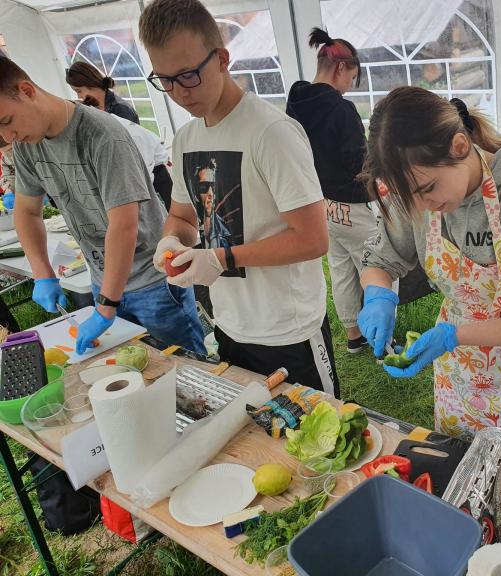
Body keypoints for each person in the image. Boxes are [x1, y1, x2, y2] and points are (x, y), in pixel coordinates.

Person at [139, 0, 340, 396]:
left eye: (188, 75)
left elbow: (313, 239)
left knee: (316, 440)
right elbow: (182, 215)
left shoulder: (271, 133)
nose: (178, 92)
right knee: (254, 432)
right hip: (229, 323)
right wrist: (171, 242)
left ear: (221, 59)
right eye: (164, 79)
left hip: (288, 328)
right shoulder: (186, 139)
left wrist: (219, 258)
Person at [358, 87, 501, 439]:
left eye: (428, 189)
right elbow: (380, 259)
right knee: (461, 473)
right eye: (408, 196)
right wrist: (377, 294)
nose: (423, 205)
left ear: (459, 147)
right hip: (460, 372)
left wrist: (451, 337)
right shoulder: (415, 186)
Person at [0, 56, 205, 355]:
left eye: (7, 122)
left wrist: (107, 306)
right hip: (102, 280)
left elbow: (124, 226)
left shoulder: (102, 135)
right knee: (126, 368)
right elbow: (27, 212)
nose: (8, 136)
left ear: (27, 91)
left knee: (185, 370)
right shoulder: (27, 144)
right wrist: (42, 272)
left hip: (154, 281)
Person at [286, 28, 380, 355]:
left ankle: (354, 336)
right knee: (378, 267)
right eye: (352, 78)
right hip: (352, 205)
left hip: (320, 204)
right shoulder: (342, 110)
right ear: (341, 69)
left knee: (341, 270)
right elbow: (359, 163)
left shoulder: (295, 100)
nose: (350, 87)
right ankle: (382, 336)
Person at [81, 95, 173, 209]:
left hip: (156, 176)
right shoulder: (107, 127)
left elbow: (145, 174)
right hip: (140, 175)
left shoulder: (130, 133)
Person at [65, 61, 140, 125]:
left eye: (79, 91)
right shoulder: (90, 107)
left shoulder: (121, 109)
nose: (79, 96)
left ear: (91, 83)